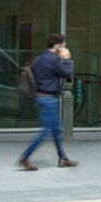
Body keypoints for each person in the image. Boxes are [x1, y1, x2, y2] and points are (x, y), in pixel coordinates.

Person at [17, 33, 77, 171]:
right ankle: (25, 157)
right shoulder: (53, 59)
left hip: (41, 97)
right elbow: (67, 73)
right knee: (46, 131)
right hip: (48, 98)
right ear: (58, 45)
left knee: (56, 130)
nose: (65, 47)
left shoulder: (39, 59)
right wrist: (67, 59)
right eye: (64, 44)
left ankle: (63, 158)